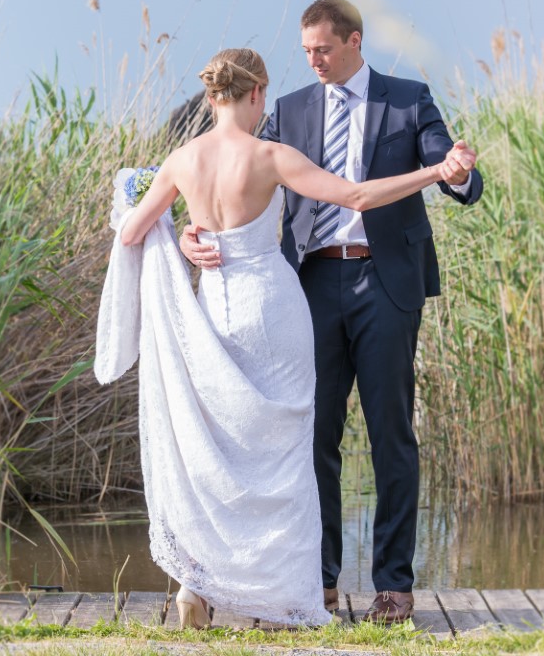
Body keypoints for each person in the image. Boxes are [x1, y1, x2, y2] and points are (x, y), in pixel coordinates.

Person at [94, 48, 475, 629]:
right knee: (287, 450)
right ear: (255, 93)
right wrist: (435, 173)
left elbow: (131, 234)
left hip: (214, 309)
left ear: (211, 96)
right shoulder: (270, 155)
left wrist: (186, 238)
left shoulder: (181, 160)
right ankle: (285, 597)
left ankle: (199, 584)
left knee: (221, 446)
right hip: (273, 309)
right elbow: (357, 197)